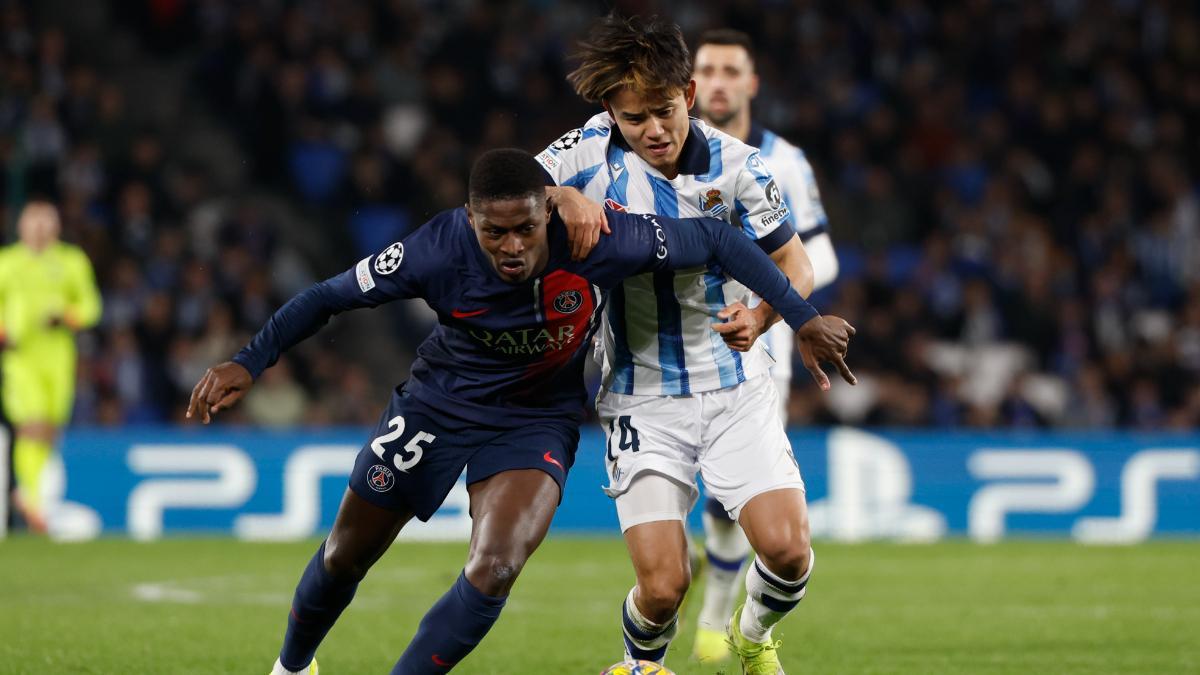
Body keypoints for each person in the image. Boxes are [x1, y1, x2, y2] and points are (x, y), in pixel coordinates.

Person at [186, 149, 855, 675]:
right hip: (439, 403)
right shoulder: (434, 249)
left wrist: (798, 317)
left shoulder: (600, 238)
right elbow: (329, 296)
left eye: (524, 229)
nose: (510, 246)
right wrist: (250, 358)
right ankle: (291, 665)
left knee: (496, 564)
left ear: (549, 213)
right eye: (493, 232)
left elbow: (715, 239)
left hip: (538, 415)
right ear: (470, 220)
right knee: (345, 552)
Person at [537, 15, 852, 674]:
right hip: (639, 397)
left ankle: (752, 629)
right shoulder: (584, 151)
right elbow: (506, 191)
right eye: (632, 118)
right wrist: (559, 194)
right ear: (608, 113)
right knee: (661, 588)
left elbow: (797, 263)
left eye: (663, 111)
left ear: (687, 92)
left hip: (735, 382)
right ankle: (641, 663)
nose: (652, 129)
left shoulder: (741, 166)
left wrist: (764, 316)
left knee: (789, 552)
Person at [689, 28, 842, 664]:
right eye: (708, 70)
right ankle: (705, 590)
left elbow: (821, 255)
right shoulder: (660, 152)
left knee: (735, 497)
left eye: (732, 71)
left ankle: (723, 612)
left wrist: (767, 302)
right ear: (690, 83)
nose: (719, 82)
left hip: (760, 344)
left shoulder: (783, 161)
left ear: (751, 84)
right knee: (711, 500)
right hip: (674, 346)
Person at [0, 200, 101, 534]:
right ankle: (30, 497)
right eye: (34, 222)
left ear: (56, 227)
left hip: (58, 358)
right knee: (31, 424)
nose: (41, 228)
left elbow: (90, 305)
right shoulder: (7, 263)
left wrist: (66, 316)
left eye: (47, 222)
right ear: (22, 226)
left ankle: (35, 496)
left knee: (49, 430)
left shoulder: (71, 261)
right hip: (21, 358)